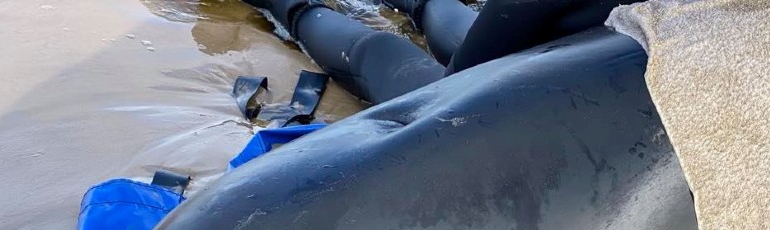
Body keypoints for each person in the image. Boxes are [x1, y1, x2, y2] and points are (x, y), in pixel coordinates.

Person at [244, 0, 635, 103]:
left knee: (378, 52)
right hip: (608, 53)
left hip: (557, 82)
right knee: (465, 31)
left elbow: (456, 85)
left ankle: (294, 7)